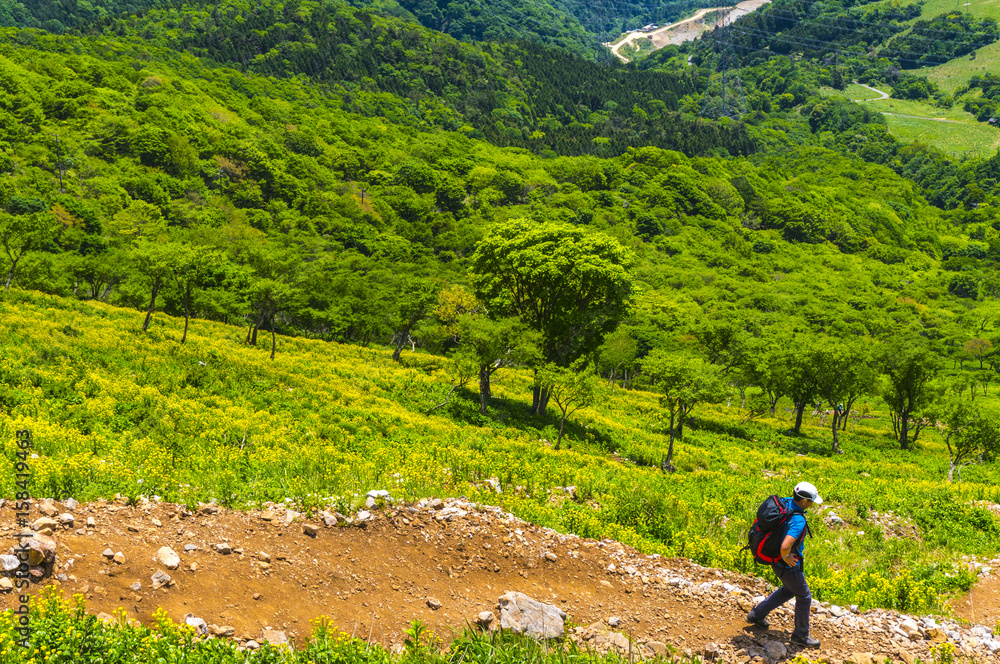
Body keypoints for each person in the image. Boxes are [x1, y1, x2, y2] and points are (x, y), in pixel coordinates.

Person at [745, 482, 822, 648]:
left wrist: (781, 556)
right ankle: (801, 636)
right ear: (804, 501)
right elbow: (785, 546)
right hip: (788, 565)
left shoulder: (786, 503)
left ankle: (757, 615)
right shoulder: (798, 520)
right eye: (811, 502)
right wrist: (786, 556)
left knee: (788, 590)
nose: (811, 505)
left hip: (774, 560)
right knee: (804, 597)